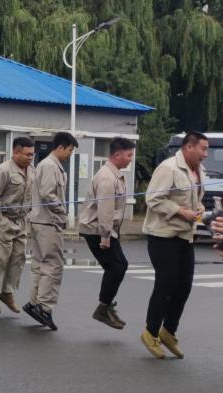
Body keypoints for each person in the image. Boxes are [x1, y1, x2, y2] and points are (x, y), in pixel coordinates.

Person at [140, 131, 207, 359]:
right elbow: (152, 198)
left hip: (185, 235)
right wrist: (180, 211)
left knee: (184, 285)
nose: (205, 154)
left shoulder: (199, 170)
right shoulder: (168, 168)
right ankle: (150, 332)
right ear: (189, 147)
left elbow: (196, 199)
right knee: (166, 283)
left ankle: (168, 331)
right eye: (203, 149)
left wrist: (199, 210)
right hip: (162, 235)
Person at [78, 137, 135, 329]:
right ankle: (103, 308)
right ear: (117, 154)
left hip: (102, 229)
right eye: (129, 155)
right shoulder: (107, 178)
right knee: (116, 267)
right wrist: (105, 237)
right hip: (97, 229)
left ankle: (105, 305)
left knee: (119, 265)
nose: (131, 159)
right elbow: (105, 210)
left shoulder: (114, 174)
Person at [23, 132, 77, 331]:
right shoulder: (49, 166)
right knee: (53, 265)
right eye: (70, 150)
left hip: (42, 221)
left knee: (40, 264)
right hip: (47, 222)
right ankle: (44, 307)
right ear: (60, 147)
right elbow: (48, 194)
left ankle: (35, 303)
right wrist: (63, 212)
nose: (70, 154)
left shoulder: (50, 165)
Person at [0, 137, 35, 315]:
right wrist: (0, 220)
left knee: (18, 258)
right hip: (3, 219)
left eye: (32, 154)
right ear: (16, 152)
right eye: (27, 154)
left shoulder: (32, 171)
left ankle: (7, 292)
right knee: (0, 258)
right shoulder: (4, 170)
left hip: (21, 220)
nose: (30, 157)